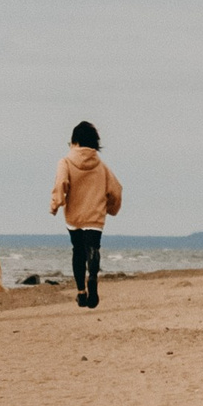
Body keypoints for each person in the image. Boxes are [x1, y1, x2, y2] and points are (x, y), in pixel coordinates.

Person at [49, 120, 123, 308]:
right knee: (93, 249)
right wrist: (111, 209)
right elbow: (116, 190)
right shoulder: (102, 166)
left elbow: (61, 184)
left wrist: (56, 204)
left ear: (75, 142)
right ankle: (93, 278)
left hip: (74, 217)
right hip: (95, 217)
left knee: (78, 252)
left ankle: (81, 292)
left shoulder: (65, 162)